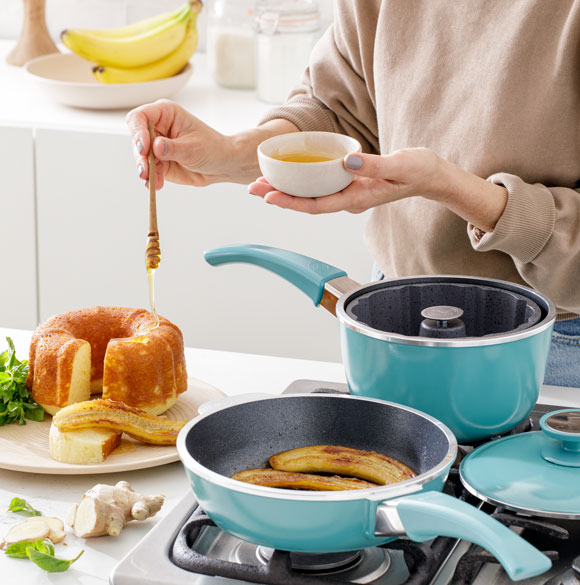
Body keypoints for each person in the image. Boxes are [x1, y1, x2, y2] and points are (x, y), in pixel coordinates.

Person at [126, 1, 580, 388]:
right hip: (393, 304)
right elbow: (340, 107)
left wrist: (455, 189)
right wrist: (236, 153)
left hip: (553, 343)